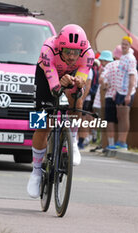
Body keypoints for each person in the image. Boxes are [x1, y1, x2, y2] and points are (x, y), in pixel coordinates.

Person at [27, 24, 95, 198]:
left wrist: (78, 85)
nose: (72, 56)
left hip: (70, 75)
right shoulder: (48, 49)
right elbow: (54, 89)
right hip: (46, 75)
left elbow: (80, 86)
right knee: (42, 125)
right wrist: (60, 85)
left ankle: (72, 139)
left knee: (77, 98)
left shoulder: (88, 54)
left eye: (75, 52)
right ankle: (35, 171)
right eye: (67, 51)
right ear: (59, 47)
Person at [103, 36, 137, 150]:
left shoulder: (131, 59)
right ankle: (119, 141)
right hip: (119, 91)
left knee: (124, 116)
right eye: (122, 44)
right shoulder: (123, 57)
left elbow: (132, 77)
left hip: (126, 91)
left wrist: (128, 94)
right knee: (119, 116)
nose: (123, 46)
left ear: (130, 46)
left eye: (126, 44)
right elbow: (119, 75)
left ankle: (123, 142)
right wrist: (115, 91)